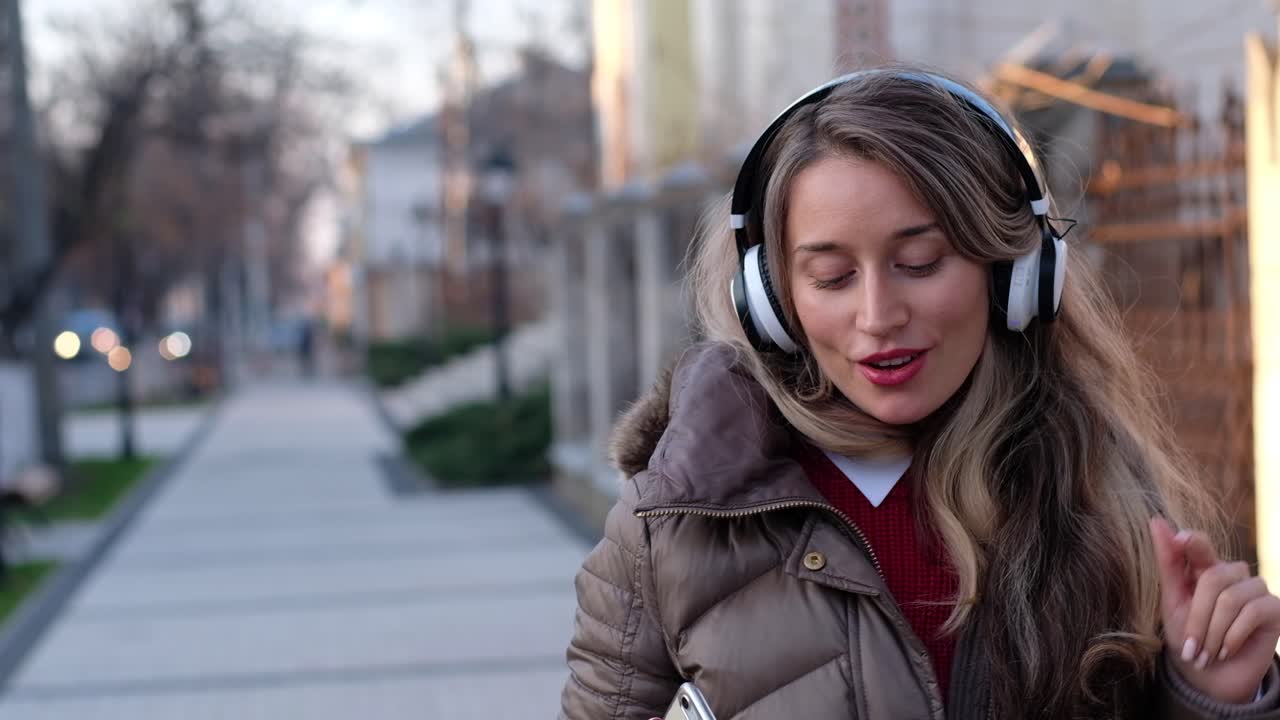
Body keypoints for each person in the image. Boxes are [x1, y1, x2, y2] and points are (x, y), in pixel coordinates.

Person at [558, 67, 1280, 719]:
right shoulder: (675, 520)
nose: (878, 316)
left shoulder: (1104, 494)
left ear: (1013, 276)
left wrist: (1212, 696)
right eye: (833, 277)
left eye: (920, 262)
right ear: (771, 303)